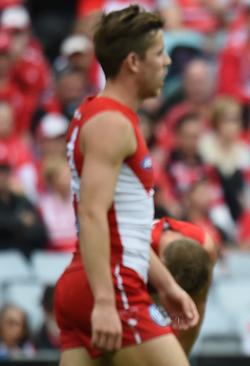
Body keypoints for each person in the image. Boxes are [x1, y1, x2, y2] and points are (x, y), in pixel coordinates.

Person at [53, 6, 198, 366]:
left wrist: (166, 285)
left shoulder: (97, 114)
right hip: (112, 287)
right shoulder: (112, 125)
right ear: (133, 62)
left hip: (89, 281)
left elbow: (122, 226)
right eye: (159, 53)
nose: (166, 62)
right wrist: (105, 301)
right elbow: (91, 213)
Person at [149, 216, 217, 354]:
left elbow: (198, 306)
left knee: (188, 313)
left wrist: (182, 355)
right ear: (161, 263)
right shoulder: (140, 248)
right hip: (138, 284)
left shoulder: (207, 247)